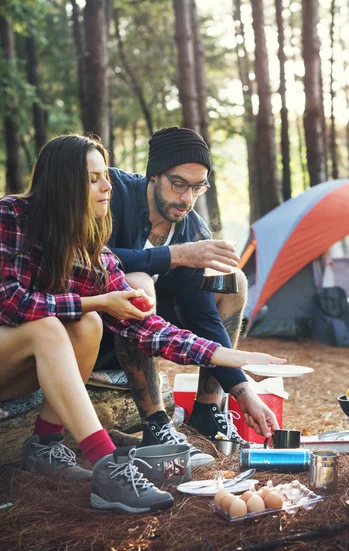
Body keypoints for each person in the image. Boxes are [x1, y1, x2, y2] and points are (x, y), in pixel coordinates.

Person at [0, 134, 285, 513]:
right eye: (94, 179)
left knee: (89, 324)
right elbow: (11, 303)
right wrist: (99, 301)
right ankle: (109, 465)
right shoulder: (12, 215)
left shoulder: (86, 245)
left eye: (106, 176)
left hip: (23, 366)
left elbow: (145, 326)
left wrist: (227, 357)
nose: (107, 187)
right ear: (64, 182)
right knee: (53, 326)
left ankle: (46, 445)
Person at [97, 126, 278, 456]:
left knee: (231, 281)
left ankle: (208, 410)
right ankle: (156, 424)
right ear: (154, 174)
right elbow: (90, 258)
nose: (186, 198)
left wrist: (242, 390)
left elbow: (202, 314)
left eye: (198, 187)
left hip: (160, 332)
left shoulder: (192, 227)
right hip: (95, 326)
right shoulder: (113, 194)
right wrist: (174, 255)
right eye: (178, 184)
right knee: (138, 283)